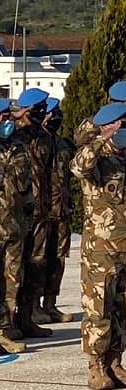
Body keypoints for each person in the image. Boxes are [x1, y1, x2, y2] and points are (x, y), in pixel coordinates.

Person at [72, 101, 126, 390]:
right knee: (99, 309)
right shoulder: (95, 157)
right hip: (102, 249)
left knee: (125, 309)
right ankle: (96, 367)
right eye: (119, 125)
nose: (124, 130)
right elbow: (78, 167)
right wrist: (101, 138)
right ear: (106, 126)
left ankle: (116, 363)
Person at [8, 88, 54, 340]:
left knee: (35, 267)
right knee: (12, 270)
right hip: (16, 213)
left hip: (40, 212)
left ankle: (26, 318)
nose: (42, 112)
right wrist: (16, 117)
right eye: (37, 108)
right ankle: (7, 324)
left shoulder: (44, 137)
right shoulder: (13, 135)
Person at [36, 97, 75, 324]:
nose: (56, 117)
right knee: (37, 260)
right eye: (52, 112)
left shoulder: (63, 144)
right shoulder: (35, 143)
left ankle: (50, 304)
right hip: (40, 213)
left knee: (58, 259)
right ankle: (32, 308)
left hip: (61, 211)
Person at [0, 98, 29, 354]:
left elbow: (26, 189)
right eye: (1, 118)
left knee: (12, 279)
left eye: (8, 117)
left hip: (14, 227)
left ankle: (5, 330)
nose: (5, 122)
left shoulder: (18, 148)